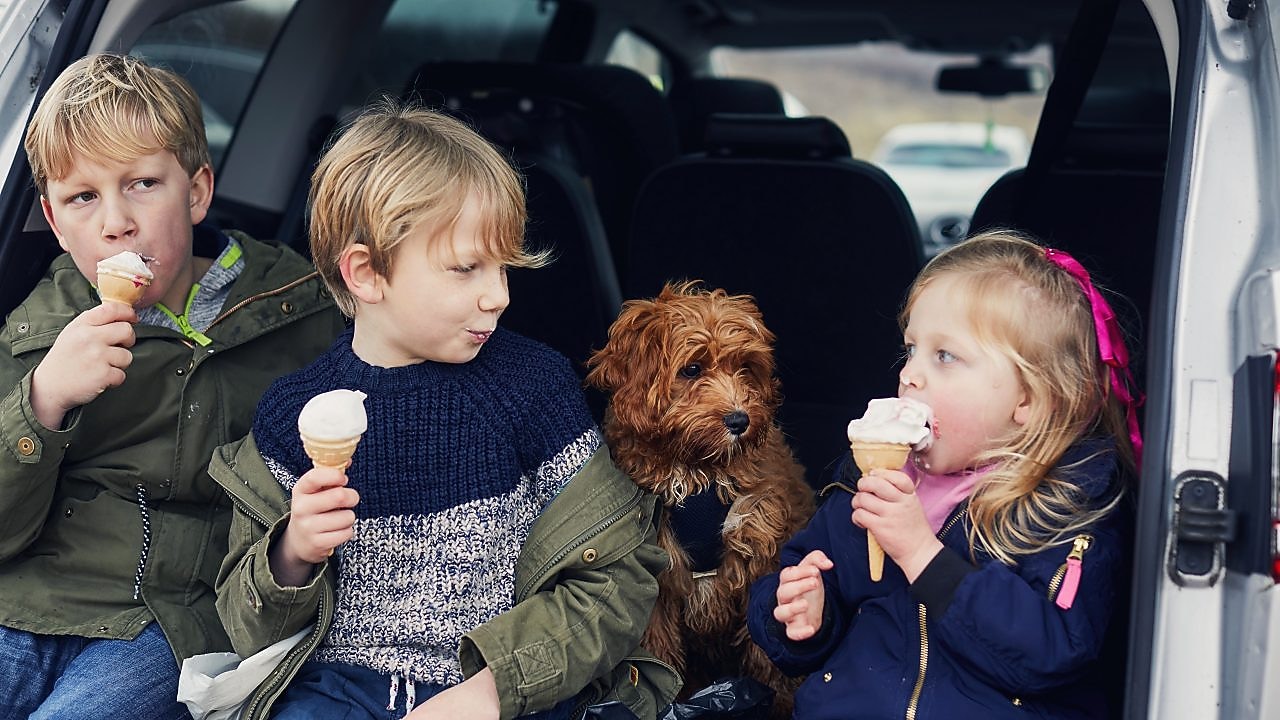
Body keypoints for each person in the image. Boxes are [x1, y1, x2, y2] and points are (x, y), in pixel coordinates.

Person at [209, 100, 680, 720]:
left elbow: (618, 580)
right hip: (336, 690)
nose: (499, 295)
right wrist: (292, 552)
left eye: (504, 267)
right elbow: (245, 625)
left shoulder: (530, 388)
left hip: (511, 689)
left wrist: (490, 691)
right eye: (466, 269)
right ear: (367, 274)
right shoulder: (292, 417)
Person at [0, 53, 344, 719]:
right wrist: (43, 402)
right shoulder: (39, 325)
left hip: (170, 622)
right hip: (23, 601)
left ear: (196, 191)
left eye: (142, 184)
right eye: (83, 198)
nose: (115, 223)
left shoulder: (299, 313)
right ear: (52, 216)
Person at [747, 229, 1142, 719]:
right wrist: (802, 611)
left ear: (1029, 400)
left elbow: (1051, 652)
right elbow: (804, 569)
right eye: (910, 349)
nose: (910, 374)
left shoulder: (1065, 508)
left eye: (945, 356)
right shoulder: (871, 484)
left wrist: (921, 554)